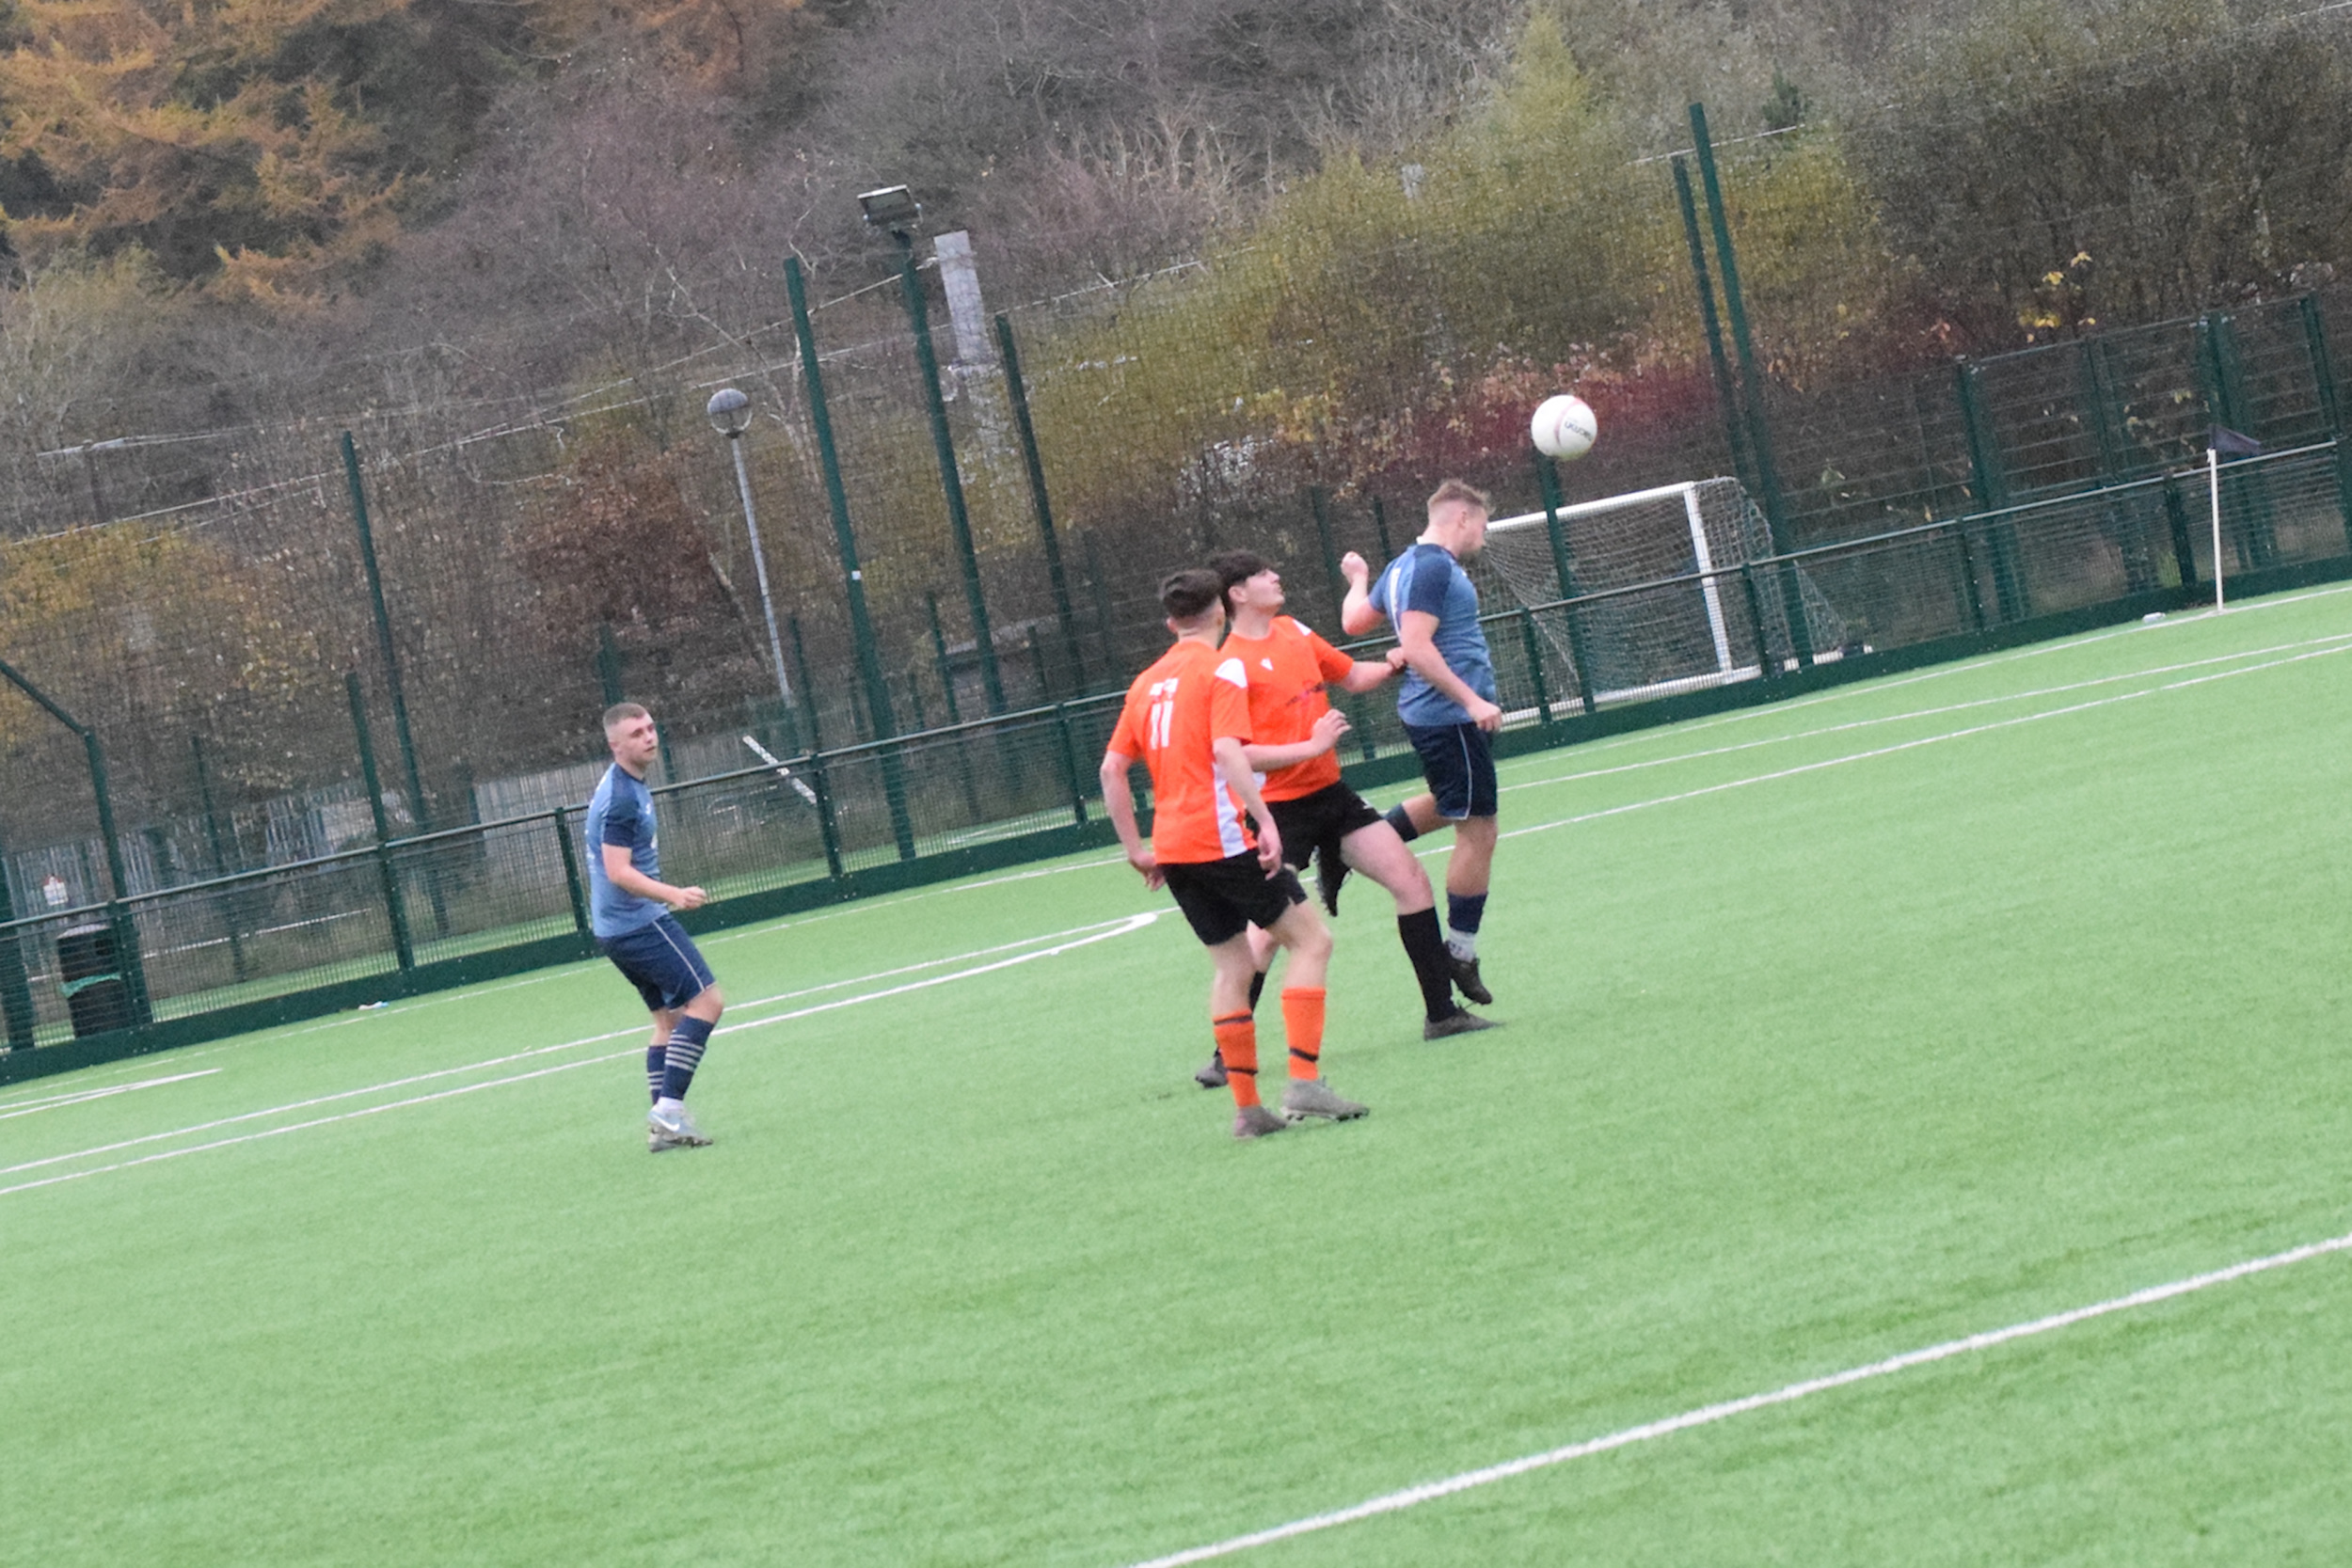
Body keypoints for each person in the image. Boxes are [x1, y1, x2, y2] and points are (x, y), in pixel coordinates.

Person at [1199, 549, 1496, 1073]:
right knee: (1266, 932)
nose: (1276, 575)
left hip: (1332, 796)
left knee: (1411, 882)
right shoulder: (1228, 665)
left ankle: (1442, 1014)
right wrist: (1310, 748)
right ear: (1238, 594)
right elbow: (1235, 756)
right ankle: (1228, 1056)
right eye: (1264, 573)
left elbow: (1352, 676)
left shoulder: (1292, 631)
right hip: (1277, 811)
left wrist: (1391, 661)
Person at [1099, 569, 1366, 1139]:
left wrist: (1136, 850)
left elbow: (1112, 768)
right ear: (1222, 610)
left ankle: (1248, 1111)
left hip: (1173, 847)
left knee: (1232, 966)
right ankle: (1304, 1081)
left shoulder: (1146, 683)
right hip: (1220, 837)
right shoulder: (1222, 667)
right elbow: (1227, 751)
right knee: (1312, 941)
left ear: (1171, 623)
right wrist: (1266, 820)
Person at [1341, 478, 1503, 1007]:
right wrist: (1472, 702)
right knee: (1478, 829)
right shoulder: (1433, 566)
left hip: (1436, 716)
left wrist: (1360, 577)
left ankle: (1350, 846)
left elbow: (1353, 620)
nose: (1483, 534)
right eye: (1481, 524)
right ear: (1462, 518)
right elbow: (1415, 645)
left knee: (1451, 802)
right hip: (1448, 716)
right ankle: (1461, 951)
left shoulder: (1401, 566)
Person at [585, 703, 725, 1152]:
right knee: (707, 1002)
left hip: (615, 930)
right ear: (615, 745)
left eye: (650, 728)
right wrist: (674, 895)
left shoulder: (627, 786)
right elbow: (617, 871)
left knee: (667, 1023)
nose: (649, 737)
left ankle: (662, 1130)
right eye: (637, 733)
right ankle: (668, 1109)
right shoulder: (622, 798)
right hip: (638, 924)